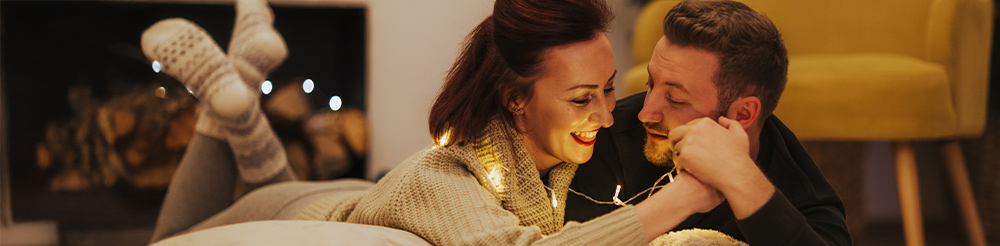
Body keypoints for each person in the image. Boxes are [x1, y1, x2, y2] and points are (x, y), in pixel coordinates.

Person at [147, 0, 724, 245]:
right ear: (515, 99)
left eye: (608, 88)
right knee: (166, 239)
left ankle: (239, 93)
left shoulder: (556, 151)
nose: (604, 114)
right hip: (290, 207)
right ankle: (233, 100)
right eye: (580, 99)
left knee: (261, 172)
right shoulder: (444, 178)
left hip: (351, 190)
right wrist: (683, 200)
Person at [565, 0, 852, 245]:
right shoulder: (605, 137)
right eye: (650, 84)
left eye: (676, 99)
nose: (646, 113)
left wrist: (740, 178)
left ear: (742, 114)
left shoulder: (799, 194)